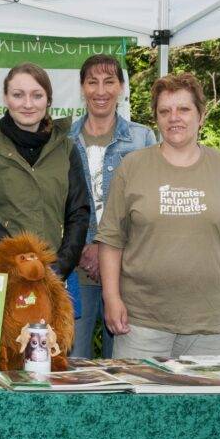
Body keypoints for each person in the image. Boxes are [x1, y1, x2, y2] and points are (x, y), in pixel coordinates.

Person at [96, 73, 220, 359]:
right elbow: (111, 240)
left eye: (184, 109)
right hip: (141, 322)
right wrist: (111, 298)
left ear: (201, 115)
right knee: (140, 402)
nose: (174, 118)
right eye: (165, 111)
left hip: (209, 322)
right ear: (157, 118)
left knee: (199, 404)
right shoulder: (132, 167)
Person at [0, 62, 90, 314]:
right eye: (18, 95)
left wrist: (60, 265)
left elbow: (78, 212)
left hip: (54, 271)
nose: (28, 104)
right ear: (5, 98)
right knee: (0, 351)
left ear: (48, 100)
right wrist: (22, 261)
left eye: (37, 95)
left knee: (52, 351)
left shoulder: (67, 148)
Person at [67, 54, 157, 359]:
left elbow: (148, 205)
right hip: (76, 265)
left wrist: (104, 248)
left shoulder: (143, 138)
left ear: (121, 87)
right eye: (92, 82)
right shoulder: (63, 138)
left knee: (124, 363)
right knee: (72, 361)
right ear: (82, 88)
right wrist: (82, 246)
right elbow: (55, 201)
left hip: (126, 268)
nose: (101, 91)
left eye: (109, 82)